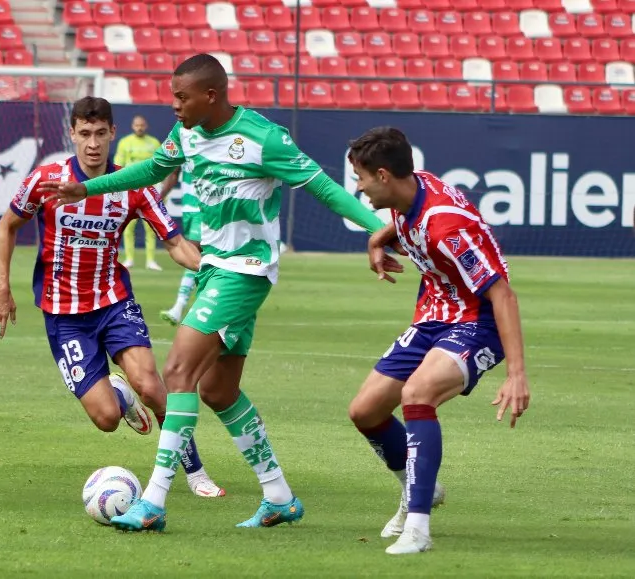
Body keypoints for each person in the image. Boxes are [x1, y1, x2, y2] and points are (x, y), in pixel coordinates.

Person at [38, 54, 392, 532]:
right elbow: (147, 173)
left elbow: (325, 188)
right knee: (218, 390)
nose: (174, 106)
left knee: (178, 370)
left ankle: (154, 503)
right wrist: (88, 189)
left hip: (245, 270)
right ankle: (279, 496)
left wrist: (380, 229)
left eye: (182, 97)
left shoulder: (264, 138)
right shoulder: (185, 134)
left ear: (211, 95)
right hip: (214, 269)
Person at [0, 96, 225, 499]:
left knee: (152, 384)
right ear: (72, 134)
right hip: (63, 315)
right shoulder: (47, 180)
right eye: (84, 134)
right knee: (107, 418)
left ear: (113, 133)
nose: (92, 144)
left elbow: (176, 243)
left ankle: (195, 471)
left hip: (114, 302)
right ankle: (118, 395)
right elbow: (8, 226)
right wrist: (2, 288)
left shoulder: (133, 186)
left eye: (100, 134)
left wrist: (216, 272)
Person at [347, 127, 530, 555]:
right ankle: (420, 489)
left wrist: (517, 375)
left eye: (360, 178)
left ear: (384, 175)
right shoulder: (414, 187)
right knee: (365, 411)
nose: (358, 187)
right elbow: (403, 221)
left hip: (477, 322)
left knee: (417, 393)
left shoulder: (445, 226)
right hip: (434, 315)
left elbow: (502, 293)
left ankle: (418, 527)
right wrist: (378, 240)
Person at [113, 115, 164, 271]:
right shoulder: (125, 142)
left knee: (151, 226)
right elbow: (118, 164)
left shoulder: (154, 142)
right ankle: (129, 258)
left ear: (145, 125)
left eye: (142, 125)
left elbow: (160, 165)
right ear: (133, 126)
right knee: (128, 225)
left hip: (149, 188)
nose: (139, 127)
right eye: (137, 125)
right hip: (130, 188)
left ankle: (150, 260)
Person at [159, 164, 199, 326]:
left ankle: (179, 307)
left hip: (207, 208)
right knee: (202, 257)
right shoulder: (183, 140)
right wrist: (158, 198)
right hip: (188, 208)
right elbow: (174, 172)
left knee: (195, 251)